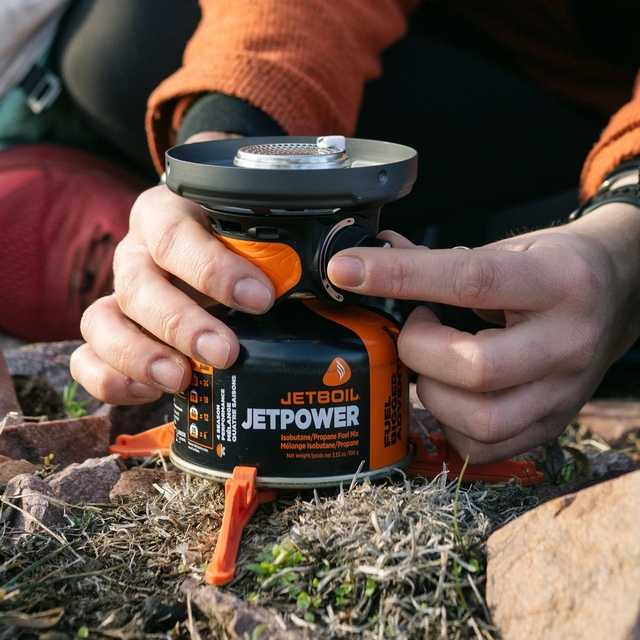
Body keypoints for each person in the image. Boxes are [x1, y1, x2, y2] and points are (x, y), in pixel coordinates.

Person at [68, 0, 640, 464]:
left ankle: (514, 279)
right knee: (127, 44)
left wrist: (623, 242)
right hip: (484, 48)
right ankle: (448, 265)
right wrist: (226, 164)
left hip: (602, 129)